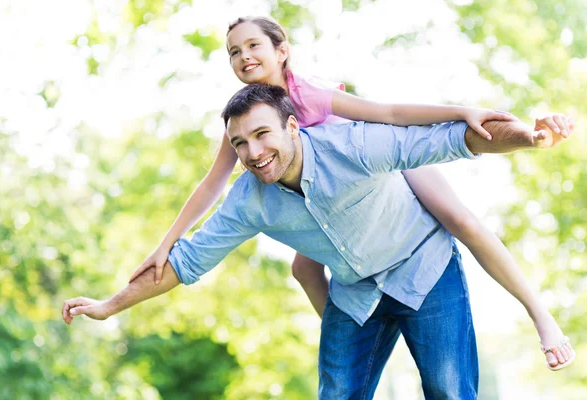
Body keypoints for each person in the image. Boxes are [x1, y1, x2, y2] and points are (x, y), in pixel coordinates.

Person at [63, 84, 575, 398]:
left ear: (292, 126)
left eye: (262, 135)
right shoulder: (248, 200)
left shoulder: (353, 145)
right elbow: (186, 263)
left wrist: (531, 138)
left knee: (447, 389)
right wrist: (111, 306)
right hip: (355, 294)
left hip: (424, 269)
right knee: (337, 394)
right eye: (240, 143)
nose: (253, 152)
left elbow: (455, 138)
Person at [132, 16, 574, 370]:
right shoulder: (247, 119)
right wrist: (166, 243)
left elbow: (388, 113)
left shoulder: (307, 92)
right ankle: (360, 344)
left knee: (459, 221)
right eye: (234, 52)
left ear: (280, 50)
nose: (244, 56)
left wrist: (462, 110)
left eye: (253, 46)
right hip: (327, 205)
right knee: (303, 269)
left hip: (374, 167)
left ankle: (541, 315)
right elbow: (213, 184)